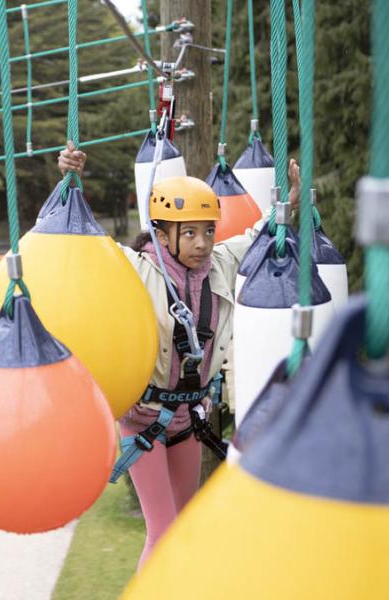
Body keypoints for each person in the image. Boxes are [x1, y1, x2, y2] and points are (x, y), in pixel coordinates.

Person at [58, 141, 300, 568]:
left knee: (184, 527)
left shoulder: (220, 265)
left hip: (187, 418)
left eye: (208, 230)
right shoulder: (135, 267)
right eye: (189, 232)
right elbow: (81, 242)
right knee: (164, 533)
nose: (203, 243)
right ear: (162, 233)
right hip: (143, 420)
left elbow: (255, 239)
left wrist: (287, 207)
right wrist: (70, 179)